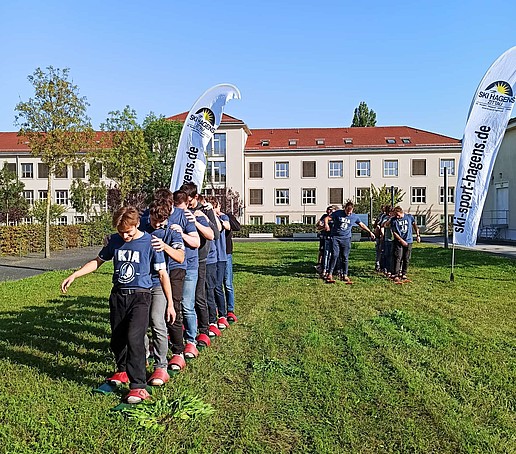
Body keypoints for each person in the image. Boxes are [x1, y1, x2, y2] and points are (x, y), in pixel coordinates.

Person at [61, 206, 175, 404]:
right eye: (121, 232)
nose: (125, 236)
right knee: (117, 339)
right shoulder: (115, 240)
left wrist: (170, 304)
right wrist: (75, 275)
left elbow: (163, 274)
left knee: (135, 338)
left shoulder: (151, 243)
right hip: (118, 296)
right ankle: (122, 371)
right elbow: (98, 261)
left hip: (141, 296)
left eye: (128, 232)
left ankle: (138, 386)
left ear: (137, 224)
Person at [139, 200, 185, 385]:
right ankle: (141, 360)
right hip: (140, 283)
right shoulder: (141, 226)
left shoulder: (171, 232)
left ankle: (161, 366)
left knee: (157, 321)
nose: (157, 224)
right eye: (154, 219)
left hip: (159, 281)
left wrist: (164, 246)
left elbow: (181, 257)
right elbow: (124, 232)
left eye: (161, 220)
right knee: (140, 325)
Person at [180, 182, 219, 347]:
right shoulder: (182, 210)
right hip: (184, 260)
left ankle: (204, 329)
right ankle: (187, 327)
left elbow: (214, 234)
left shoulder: (203, 211)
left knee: (199, 296)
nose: (186, 203)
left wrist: (196, 220)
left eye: (188, 200)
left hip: (202, 259)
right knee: (184, 298)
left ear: (195, 197)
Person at [324, 201, 375, 283]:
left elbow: (361, 224)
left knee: (345, 257)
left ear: (352, 210)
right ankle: (329, 274)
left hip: (346, 239)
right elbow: (327, 218)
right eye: (347, 212)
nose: (348, 214)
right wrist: (326, 224)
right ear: (345, 209)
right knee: (335, 255)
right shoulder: (338, 213)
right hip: (335, 237)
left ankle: (345, 275)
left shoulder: (354, 217)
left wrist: (370, 232)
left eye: (350, 212)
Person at [385, 206, 420, 282]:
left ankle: (404, 273)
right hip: (399, 241)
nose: (397, 217)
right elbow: (394, 232)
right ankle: (396, 274)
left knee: (406, 258)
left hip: (409, 240)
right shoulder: (394, 220)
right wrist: (401, 240)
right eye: (395, 215)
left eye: (398, 215)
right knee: (398, 257)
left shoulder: (409, 217)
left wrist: (417, 235)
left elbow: (414, 225)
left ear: (401, 212)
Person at [223, 208, 241, 323]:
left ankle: (230, 309)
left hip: (226, 253)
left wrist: (226, 218)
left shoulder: (227, 215)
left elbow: (237, 226)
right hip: (215, 256)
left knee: (228, 284)